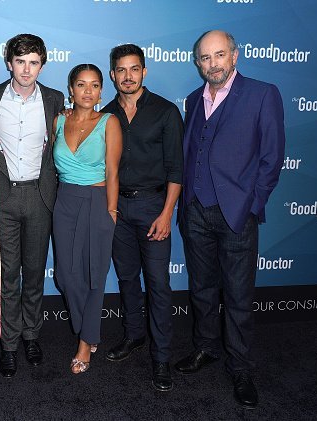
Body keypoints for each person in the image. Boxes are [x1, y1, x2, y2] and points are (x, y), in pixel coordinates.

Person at [175, 30, 285, 409]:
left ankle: (240, 367)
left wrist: (253, 204)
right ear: (198, 63)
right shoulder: (193, 100)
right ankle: (206, 348)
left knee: (238, 296)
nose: (212, 64)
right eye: (205, 58)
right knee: (202, 288)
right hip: (195, 211)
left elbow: (272, 158)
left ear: (234, 56)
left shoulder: (261, 93)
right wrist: (187, 203)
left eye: (219, 55)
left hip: (237, 213)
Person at [102, 44, 183, 392]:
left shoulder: (166, 111)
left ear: (144, 72)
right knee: (127, 279)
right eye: (121, 70)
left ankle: (161, 356)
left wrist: (167, 213)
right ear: (112, 75)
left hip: (154, 208)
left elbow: (177, 169)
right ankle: (134, 336)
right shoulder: (105, 115)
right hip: (118, 208)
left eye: (134, 69)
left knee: (159, 285)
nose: (128, 76)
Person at [0, 34, 65, 378]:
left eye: (34, 62)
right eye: (20, 62)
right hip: (2, 196)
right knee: (8, 276)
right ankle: (9, 343)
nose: (27, 69)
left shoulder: (55, 99)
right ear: (9, 64)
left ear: (42, 65)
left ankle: (32, 336)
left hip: (40, 195)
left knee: (34, 273)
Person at [52, 64, 122, 374]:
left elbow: (113, 171)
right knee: (66, 276)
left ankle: (86, 342)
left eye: (94, 85)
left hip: (97, 201)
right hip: (65, 200)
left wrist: (111, 210)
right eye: (81, 85)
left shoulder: (109, 122)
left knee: (95, 274)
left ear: (101, 91)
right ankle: (88, 329)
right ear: (71, 89)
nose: (88, 91)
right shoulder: (58, 121)